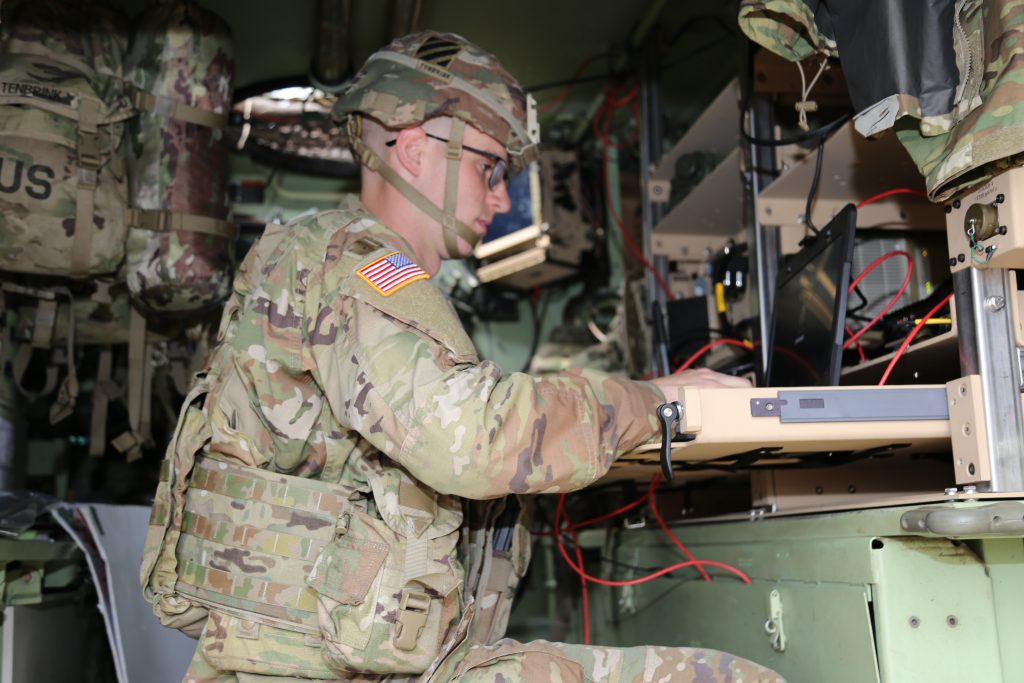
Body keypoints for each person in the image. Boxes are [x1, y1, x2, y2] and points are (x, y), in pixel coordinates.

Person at [141, 31, 784, 683]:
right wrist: (659, 401)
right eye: (489, 168)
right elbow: (469, 438)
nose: (501, 198)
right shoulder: (341, 261)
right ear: (416, 149)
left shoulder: (373, 274)